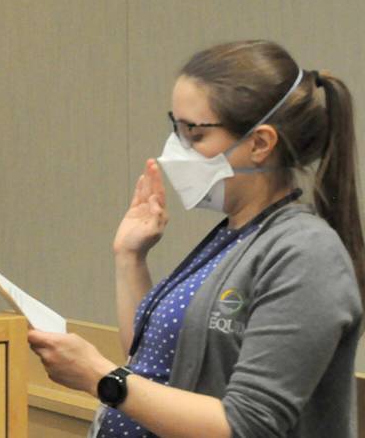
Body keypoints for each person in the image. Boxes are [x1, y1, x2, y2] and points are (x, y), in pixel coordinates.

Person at [28, 40, 363, 437]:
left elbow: (246, 425)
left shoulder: (306, 254)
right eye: (177, 128)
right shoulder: (234, 235)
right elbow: (152, 361)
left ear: (260, 144)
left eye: (195, 134)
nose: (176, 149)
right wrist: (130, 257)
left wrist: (99, 376)